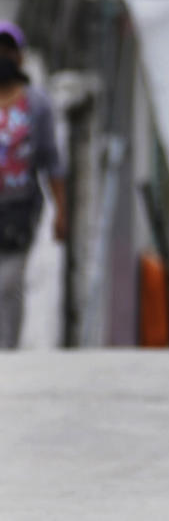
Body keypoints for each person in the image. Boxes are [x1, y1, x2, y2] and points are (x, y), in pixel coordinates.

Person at [0, 21, 67, 349]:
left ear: (20, 57)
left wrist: (61, 212)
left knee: (8, 283)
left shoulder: (36, 105)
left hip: (19, 211)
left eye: (8, 50)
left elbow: (51, 161)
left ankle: (7, 351)